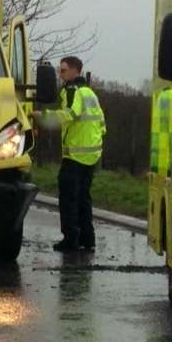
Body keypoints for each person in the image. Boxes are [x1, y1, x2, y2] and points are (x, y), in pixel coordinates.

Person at [35, 57, 106, 252]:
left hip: (74, 155)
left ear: (75, 71)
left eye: (64, 70)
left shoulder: (72, 90)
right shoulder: (90, 92)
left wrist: (45, 116)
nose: (60, 74)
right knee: (84, 198)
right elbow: (101, 123)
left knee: (68, 199)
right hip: (91, 155)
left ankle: (70, 240)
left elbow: (70, 114)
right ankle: (87, 239)